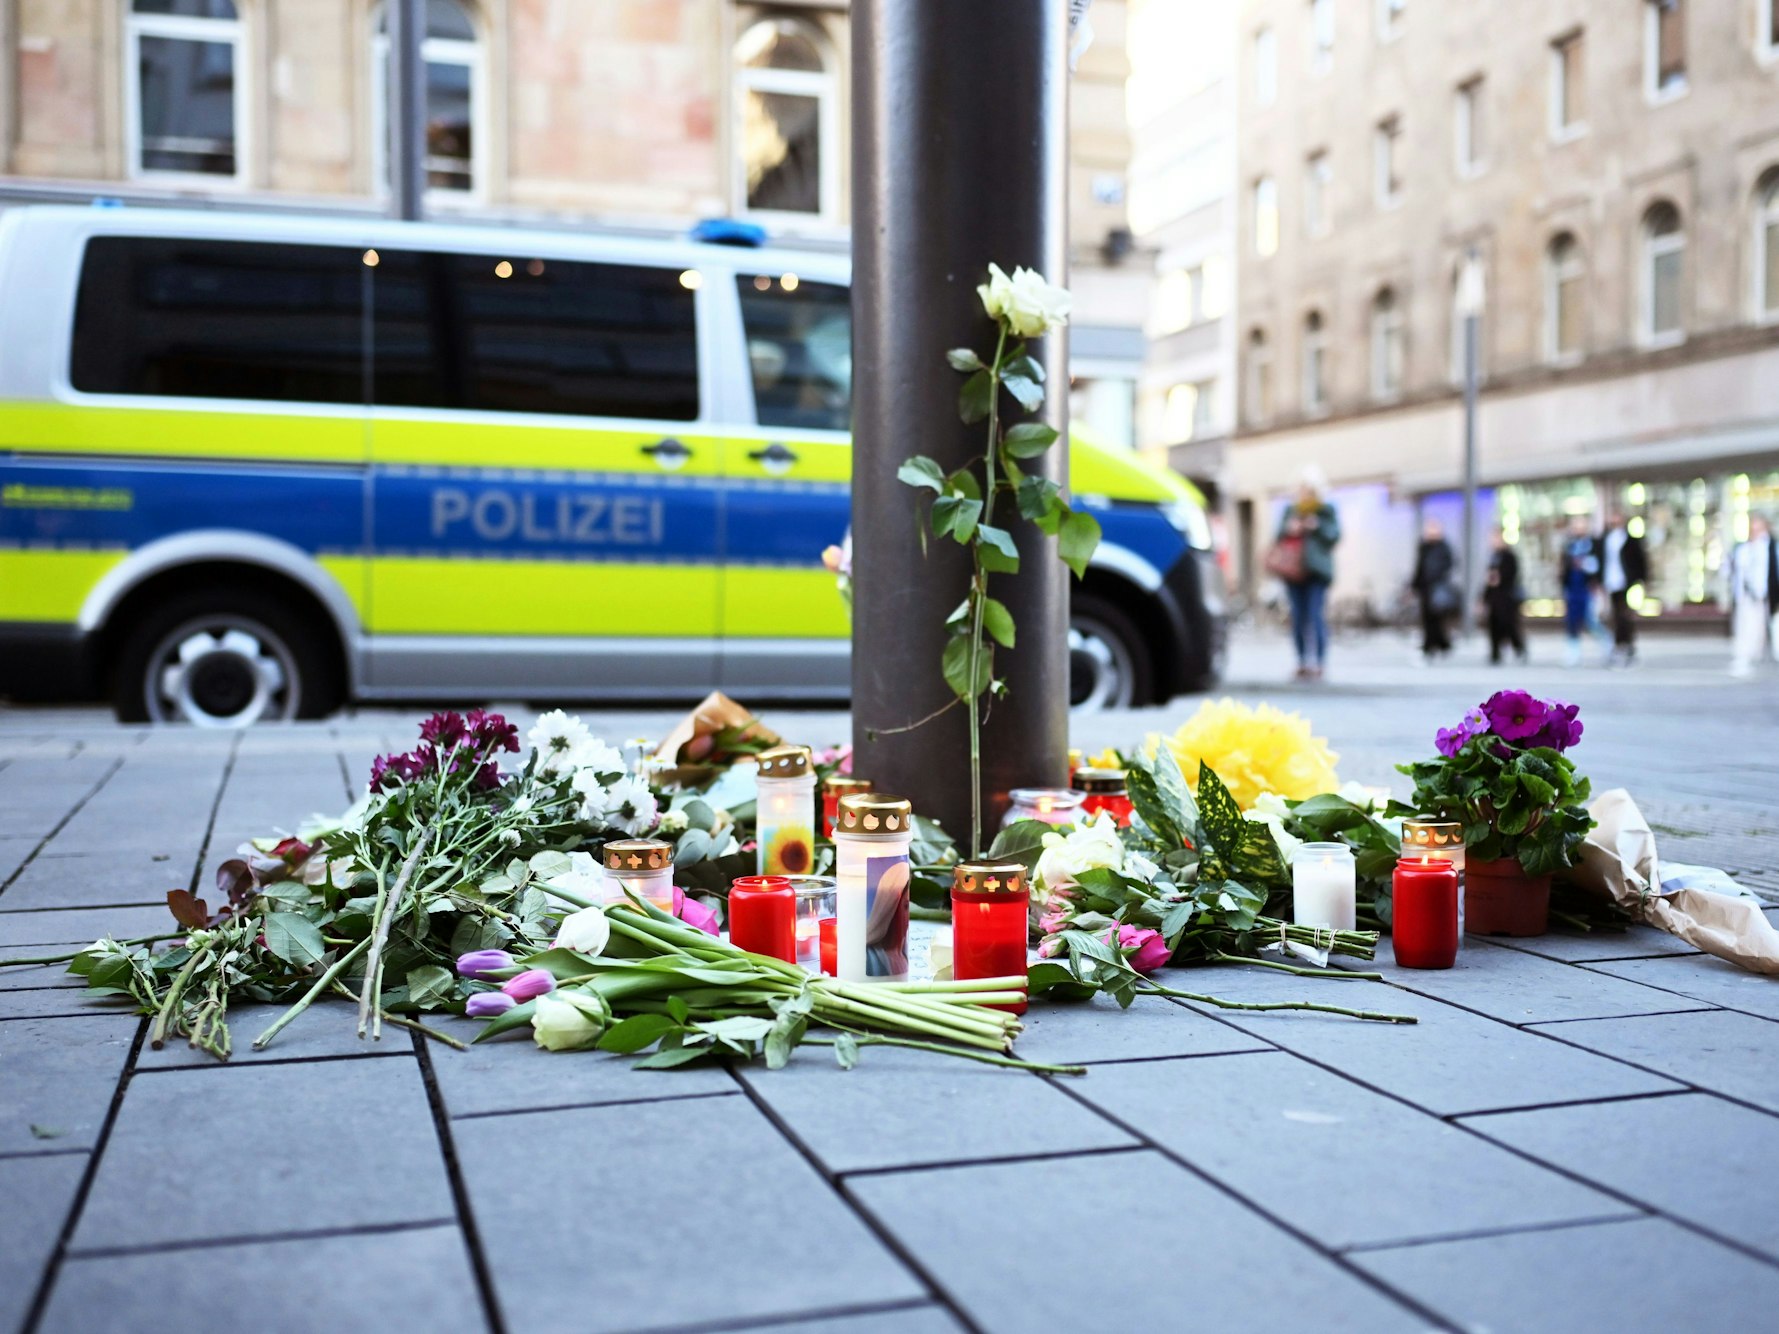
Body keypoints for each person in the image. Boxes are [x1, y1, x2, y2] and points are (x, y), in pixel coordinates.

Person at [1276, 468, 1341, 680]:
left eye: (1309, 489)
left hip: (1316, 572)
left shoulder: (1325, 510)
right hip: (1293, 572)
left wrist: (1317, 526)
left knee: (1315, 615)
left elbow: (1334, 536)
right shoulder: (1291, 511)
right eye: (1302, 489)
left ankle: (1320, 662)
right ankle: (1302, 661)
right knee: (1297, 616)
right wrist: (1290, 528)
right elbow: (1277, 537)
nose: (1305, 493)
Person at [1558, 515, 1612, 667]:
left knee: (1591, 621)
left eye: (1580, 525)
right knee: (1572, 622)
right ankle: (1573, 653)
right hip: (1572, 589)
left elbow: (1599, 566)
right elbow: (1564, 568)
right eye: (1575, 526)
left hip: (1588, 590)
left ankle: (1607, 644)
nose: (1577, 529)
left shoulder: (1593, 544)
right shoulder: (1569, 545)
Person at [1729, 514, 1779, 678]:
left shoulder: (1772, 547)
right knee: (1747, 626)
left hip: (1769, 593)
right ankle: (1746, 654)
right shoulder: (1743, 548)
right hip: (1747, 595)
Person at [1598, 509, 1649, 665]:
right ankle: (1620, 645)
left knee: (1624, 614)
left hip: (1626, 582)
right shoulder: (1605, 539)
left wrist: (1641, 579)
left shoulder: (1630, 539)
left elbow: (1640, 560)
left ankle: (1625, 645)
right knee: (1615, 615)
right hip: (1611, 581)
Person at [1410, 518, 1458, 660]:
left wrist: (1438, 575)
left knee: (1436, 618)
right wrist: (1415, 584)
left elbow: (1450, 564)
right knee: (1427, 617)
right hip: (1425, 587)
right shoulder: (1424, 547)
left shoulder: (1443, 547)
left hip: (1437, 587)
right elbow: (1419, 567)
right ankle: (1435, 645)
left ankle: (1437, 645)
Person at [1482, 527, 1526, 664]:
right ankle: (1495, 654)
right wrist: (1484, 598)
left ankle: (1518, 648)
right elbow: (1488, 580)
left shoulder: (1509, 556)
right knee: (1493, 626)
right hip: (1494, 597)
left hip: (1507, 597)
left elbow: (1512, 576)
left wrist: (1499, 578)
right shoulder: (1493, 556)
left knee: (1509, 625)